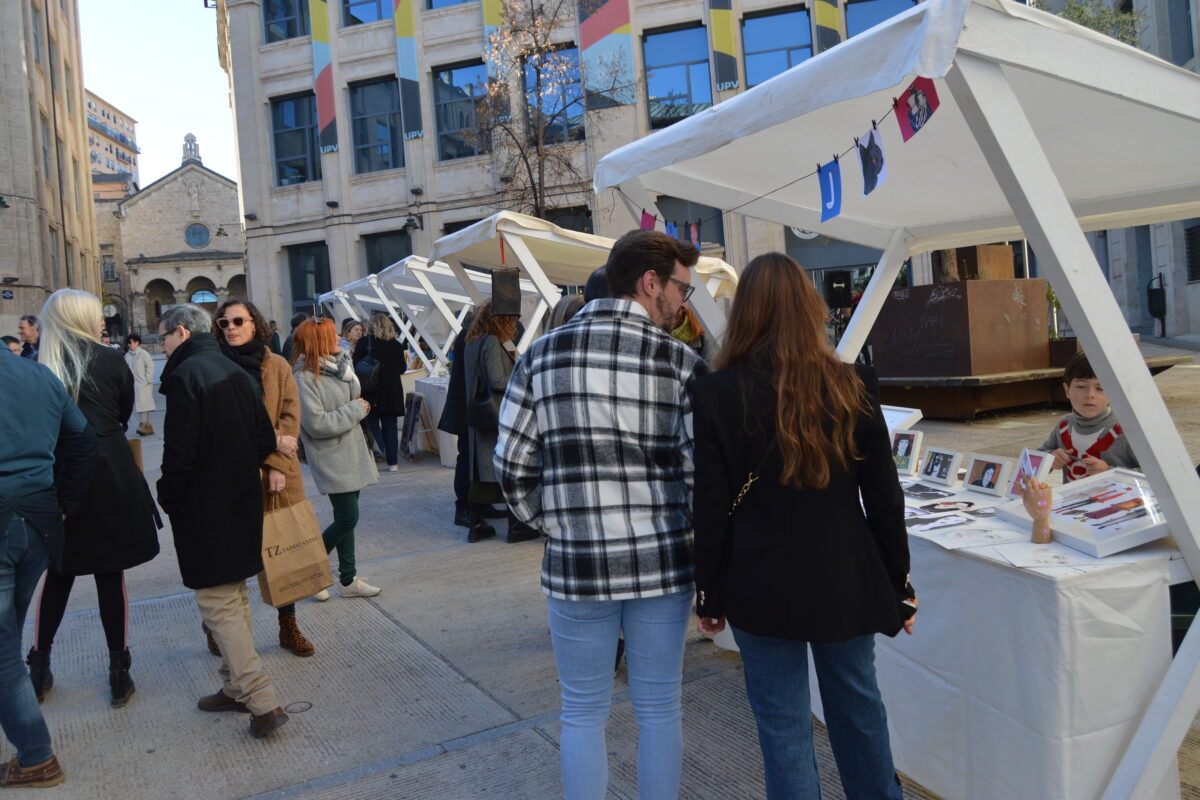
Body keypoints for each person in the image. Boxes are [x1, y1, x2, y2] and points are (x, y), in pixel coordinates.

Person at [691, 252, 916, 800]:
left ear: (746, 313)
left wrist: (709, 593)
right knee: (858, 708)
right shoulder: (853, 382)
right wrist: (899, 583)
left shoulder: (716, 392)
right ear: (808, 308)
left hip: (757, 580)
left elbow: (710, 507)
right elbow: (884, 497)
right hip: (844, 574)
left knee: (782, 724)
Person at [495, 230, 707, 798]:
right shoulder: (682, 365)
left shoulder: (541, 354)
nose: (684, 302)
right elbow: (699, 476)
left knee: (582, 711)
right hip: (661, 562)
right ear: (650, 283)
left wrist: (556, 522)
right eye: (681, 288)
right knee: (660, 708)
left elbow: (511, 464)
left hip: (578, 562)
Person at [155, 304, 290, 740]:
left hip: (205, 505)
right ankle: (236, 687)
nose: (162, 346)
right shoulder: (234, 369)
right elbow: (264, 439)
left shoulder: (186, 374)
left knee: (218, 601)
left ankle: (261, 700)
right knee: (232, 596)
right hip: (240, 497)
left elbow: (179, 451)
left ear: (179, 332)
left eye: (163, 338)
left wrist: (169, 494)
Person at [25, 289, 161, 710]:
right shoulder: (109, 359)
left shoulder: (39, 365)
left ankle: (39, 664)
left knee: (59, 573)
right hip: (108, 471)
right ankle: (119, 672)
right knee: (108, 572)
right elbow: (121, 414)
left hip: (59, 474)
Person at [0, 341, 96, 788]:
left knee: (3, 652)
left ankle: (37, 755)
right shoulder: (37, 375)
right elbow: (82, 438)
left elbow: (82, 441)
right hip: (39, 519)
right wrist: (63, 501)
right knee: (6, 644)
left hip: (16, 519)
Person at [212, 298, 317, 657]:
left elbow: (290, 415)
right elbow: (222, 427)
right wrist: (274, 442)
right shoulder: (213, 367)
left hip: (274, 475)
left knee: (282, 551)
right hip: (229, 475)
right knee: (230, 556)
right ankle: (217, 626)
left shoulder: (277, 365)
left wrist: (274, 463)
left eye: (238, 321)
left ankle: (288, 626)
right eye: (223, 323)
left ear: (254, 323)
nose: (231, 328)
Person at [292, 318, 382, 598]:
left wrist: (358, 406)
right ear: (317, 341)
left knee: (347, 518)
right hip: (331, 456)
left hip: (353, 450)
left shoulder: (341, 365)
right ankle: (310, 572)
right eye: (331, 335)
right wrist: (357, 409)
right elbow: (316, 424)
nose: (338, 339)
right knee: (347, 517)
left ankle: (347, 579)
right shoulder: (304, 377)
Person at [464, 301, 536, 545]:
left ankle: (476, 525)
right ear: (503, 319)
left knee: (481, 472)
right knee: (507, 468)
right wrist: (523, 376)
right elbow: (498, 380)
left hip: (480, 414)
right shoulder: (494, 341)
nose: (516, 324)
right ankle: (516, 528)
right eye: (513, 319)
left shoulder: (473, 339)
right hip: (496, 413)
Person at [1040, 352, 1137, 482]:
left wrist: (1110, 472)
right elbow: (1030, 465)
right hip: (1071, 500)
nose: (1090, 394)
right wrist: (1049, 459)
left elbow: (1156, 477)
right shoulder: (1064, 426)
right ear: (1067, 390)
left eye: (1100, 388)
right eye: (1081, 386)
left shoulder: (1126, 430)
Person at [352, 314, 406, 472]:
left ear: (372, 326)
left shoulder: (365, 342)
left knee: (372, 423)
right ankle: (393, 463)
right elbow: (402, 368)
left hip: (371, 390)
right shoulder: (397, 345)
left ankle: (379, 452)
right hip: (392, 391)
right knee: (390, 426)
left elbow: (356, 364)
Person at [124, 333, 156, 436]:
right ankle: (147, 427)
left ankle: (143, 426)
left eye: (131, 342)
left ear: (137, 342)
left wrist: (147, 380)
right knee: (139, 406)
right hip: (133, 385)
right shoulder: (127, 355)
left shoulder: (143, 354)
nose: (129, 344)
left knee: (144, 406)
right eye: (128, 342)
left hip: (143, 384)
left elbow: (150, 367)